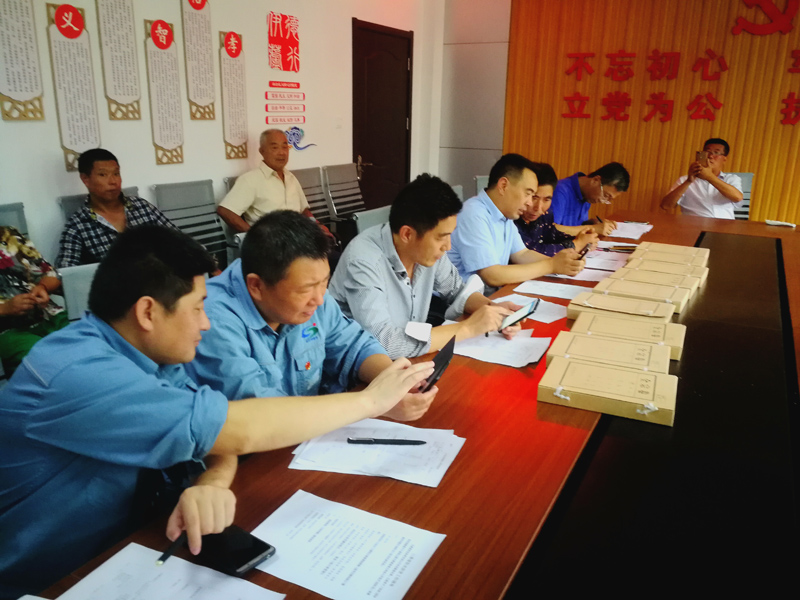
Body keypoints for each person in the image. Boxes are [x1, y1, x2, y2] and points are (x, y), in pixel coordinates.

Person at [0, 226, 432, 599]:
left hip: (133, 549)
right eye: (197, 308)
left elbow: (216, 431)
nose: (205, 324)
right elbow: (238, 427)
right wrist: (370, 402)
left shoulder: (152, 356)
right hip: (50, 580)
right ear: (148, 312)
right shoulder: (78, 372)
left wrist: (210, 482)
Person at [187, 210, 437, 420]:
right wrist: (373, 404)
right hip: (257, 454)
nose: (319, 299)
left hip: (312, 437)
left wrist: (393, 382)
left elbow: (354, 345)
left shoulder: (313, 293)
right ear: (256, 286)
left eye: (324, 282)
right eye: (306, 289)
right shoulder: (211, 321)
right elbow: (263, 414)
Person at [328, 174, 523, 359]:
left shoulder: (425, 251)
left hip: (410, 357)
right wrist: (468, 328)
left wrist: (493, 311)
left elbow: (456, 290)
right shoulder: (363, 261)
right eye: (441, 237)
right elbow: (384, 342)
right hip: (358, 369)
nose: (448, 246)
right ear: (407, 234)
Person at [447, 153, 585, 290]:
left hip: (487, 295)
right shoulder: (474, 213)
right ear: (503, 185)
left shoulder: (505, 215)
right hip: (461, 300)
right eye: (528, 194)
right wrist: (551, 266)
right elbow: (492, 275)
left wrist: (563, 262)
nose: (529, 203)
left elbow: (522, 254)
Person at [56, 148, 178, 267]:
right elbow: (66, 270)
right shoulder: (78, 225)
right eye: (103, 174)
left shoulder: (142, 207)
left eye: (116, 173)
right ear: (85, 179)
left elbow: (179, 240)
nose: (113, 181)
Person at [217, 129, 332, 237]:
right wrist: (255, 236)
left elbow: (304, 210)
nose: (281, 153)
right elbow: (225, 211)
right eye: (275, 147)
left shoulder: (290, 177)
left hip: (298, 238)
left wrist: (316, 225)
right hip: (272, 243)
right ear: (262, 151)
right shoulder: (250, 180)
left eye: (285, 147)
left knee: (332, 246)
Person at [0, 226, 68, 374]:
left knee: (92, 342)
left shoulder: (8, 235)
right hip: (7, 331)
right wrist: (5, 309)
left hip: (49, 314)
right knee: (47, 361)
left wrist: (43, 287)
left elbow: (51, 274)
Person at [514, 163, 598, 257]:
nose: (538, 207)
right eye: (534, 197)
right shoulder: (512, 217)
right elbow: (530, 252)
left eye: (547, 199)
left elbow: (553, 236)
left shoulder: (546, 214)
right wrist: (576, 245)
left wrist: (583, 239)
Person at [659, 138, 743, 219]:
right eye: (707, 152)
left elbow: (737, 198)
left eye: (716, 152)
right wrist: (688, 181)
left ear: (724, 159)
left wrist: (709, 177)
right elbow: (665, 206)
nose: (710, 156)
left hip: (724, 226)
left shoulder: (732, 179)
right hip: (693, 226)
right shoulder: (684, 179)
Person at [549, 162, 630, 235]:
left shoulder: (587, 195)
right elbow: (549, 229)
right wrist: (593, 228)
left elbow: (577, 225)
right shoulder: (560, 192)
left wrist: (593, 223)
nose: (603, 201)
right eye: (605, 195)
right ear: (595, 180)